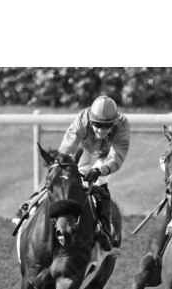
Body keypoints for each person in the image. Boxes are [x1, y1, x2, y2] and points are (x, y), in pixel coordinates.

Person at [15, 95, 130, 251]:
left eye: (106, 126)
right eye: (97, 125)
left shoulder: (122, 125)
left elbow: (117, 156)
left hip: (106, 156)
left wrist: (98, 170)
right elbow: (68, 149)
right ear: (91, 120)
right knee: (60, 175)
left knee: (99, 182)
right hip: (84, 151)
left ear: (114, 122)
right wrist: (64, 166)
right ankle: (29, 204)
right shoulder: (82, 119)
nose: (101, 130)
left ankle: (104, 228)